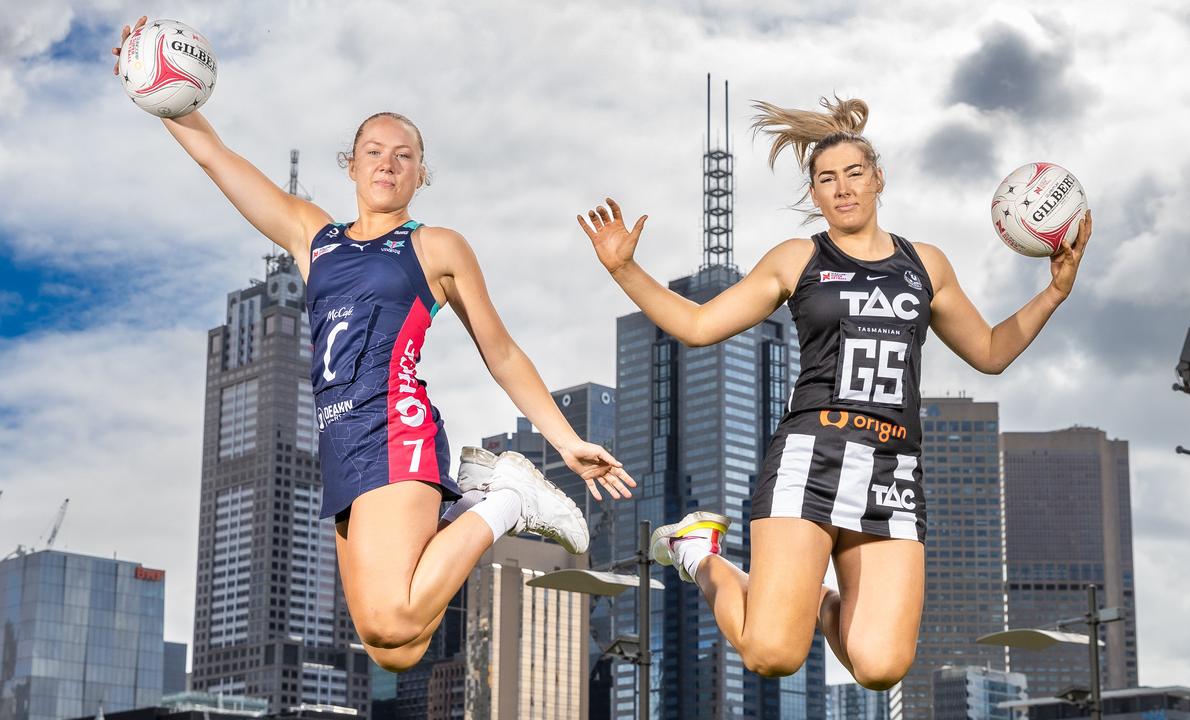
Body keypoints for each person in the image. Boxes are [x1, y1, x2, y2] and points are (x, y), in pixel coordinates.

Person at [112, 15, 636, 672]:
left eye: (404, 155)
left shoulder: (435, 246)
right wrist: (148, 81)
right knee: (396, 647)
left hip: (396, 427)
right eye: (374, 151)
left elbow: (499, 351)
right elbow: (215, 156)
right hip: (339, 445)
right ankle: (479, 500)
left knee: (394, 615)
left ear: (420, 174)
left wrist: (565, 440)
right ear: (351, 165)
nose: (387, 163)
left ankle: (509, 497)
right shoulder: (314, 237)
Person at [577, 95, 1090, 688]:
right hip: (810, 458)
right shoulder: (797, 260)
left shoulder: (926, 264)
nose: (842, 188)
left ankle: (812, 597)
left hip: (893, 470)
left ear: (878, 179)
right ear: (814, 196)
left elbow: (991, 352)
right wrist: (624, 270)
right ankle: (699, 553)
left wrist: (1054, 293)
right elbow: (697, 327)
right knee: (772, 655)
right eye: (826, 179)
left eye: (853, 173)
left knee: (879, 668)